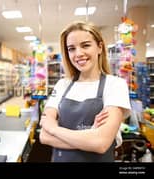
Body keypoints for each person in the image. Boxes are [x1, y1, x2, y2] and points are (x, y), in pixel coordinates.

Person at [39, 21, 131, 162]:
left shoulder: (115, 85)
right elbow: (44, 137)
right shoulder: (62, 85)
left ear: (99, 47)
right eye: (71, 48)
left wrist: (54, 129)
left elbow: (100, 143)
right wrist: (89, 136)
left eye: (85, 45)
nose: (78, 54)